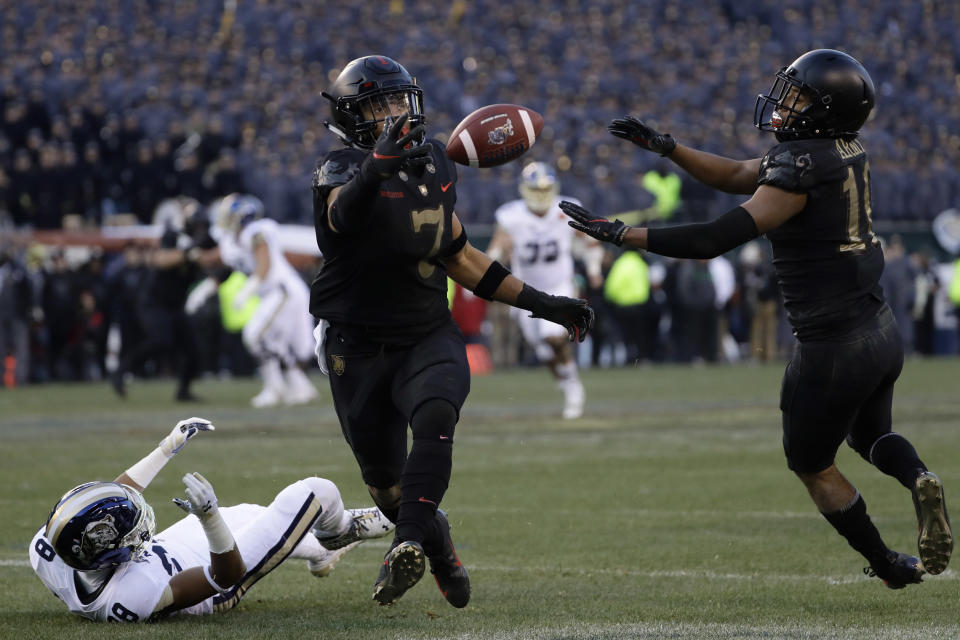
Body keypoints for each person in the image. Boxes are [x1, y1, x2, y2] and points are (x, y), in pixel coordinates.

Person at [560, 49, 952, 588]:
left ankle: (886, 564)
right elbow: (745, 173)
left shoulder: (802, 168)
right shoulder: (844, 149)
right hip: (879, 329)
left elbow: (715, 238)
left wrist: (621, 233)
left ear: (826, 109)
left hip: (832, 344)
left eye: (799, 95)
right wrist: (669, 148)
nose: (785, 102)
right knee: (870, 436)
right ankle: (919, 476)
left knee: (812, 464)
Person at [311, 55, 594, 608]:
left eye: (400, 100)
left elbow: (459, 255)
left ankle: (408, 545)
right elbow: (341, 219)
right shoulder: (338, 169)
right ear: (352, 116)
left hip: (425, 332)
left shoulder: (435, 162)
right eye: (379, 104)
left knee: (438, 413)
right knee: (386, 487)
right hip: (356, 345)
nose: (396, 112)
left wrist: (545, 303)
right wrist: (379, 164)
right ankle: (436, 546)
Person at [29, 417, 394, 622]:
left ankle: (321, 552)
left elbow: (111, 499)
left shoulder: (50, 549)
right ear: (110, 555)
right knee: (317, 492)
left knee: (257, 514)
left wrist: (166, 449)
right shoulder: (131, 596)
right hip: (216, 575)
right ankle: (340, 531)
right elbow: (224, 576)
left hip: (171, 553)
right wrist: (210, 518)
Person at [487, 162, 604, 418]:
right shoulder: (511, 215)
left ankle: (574, 388)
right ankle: (566, 382)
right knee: (542, 350)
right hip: (524, 290)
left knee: (554, 338)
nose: (541, 195)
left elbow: (590, 242)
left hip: (559, 284)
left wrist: (594, 268)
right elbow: (496, 247)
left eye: (545, 189)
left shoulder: (566, 208)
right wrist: (495, 258)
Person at [204, 193, 319, 407]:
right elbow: (218, 260)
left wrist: (247, 291)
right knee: (274, 342)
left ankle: (281, 387)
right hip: (276, 293)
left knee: (259, 335)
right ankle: (293, 387)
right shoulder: (233, 240)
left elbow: (263, 265)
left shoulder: (256, 232)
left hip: (283, 291)